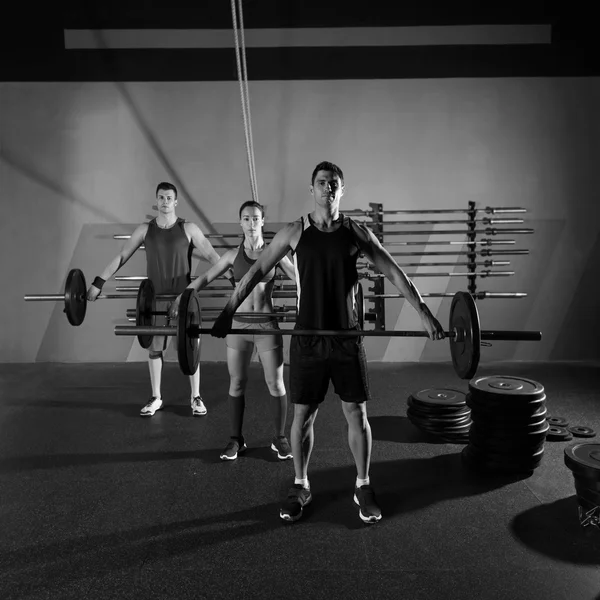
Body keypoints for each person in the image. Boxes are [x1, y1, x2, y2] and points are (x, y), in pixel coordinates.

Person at [211, 161, 445, 524]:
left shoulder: (355, 232)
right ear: (312, 189)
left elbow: (393, 271)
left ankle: (363, 484)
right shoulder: (295, 231)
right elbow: (256, 269)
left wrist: (425, 312)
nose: (328, 189)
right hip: (307, 338)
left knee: (357, 412)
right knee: (303, 415)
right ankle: (300, 484)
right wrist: (229, 310)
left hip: (346, 337)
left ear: (342, 190)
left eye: (334, 184)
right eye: (322, 183)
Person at [87, 181, 233, 417]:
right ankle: (156, 397)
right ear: (156, 201)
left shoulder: (189, 228)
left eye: (169, 198)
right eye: (161, 198)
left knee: (190, 348)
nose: (165, 202)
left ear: (176, 202)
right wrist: (98, 282)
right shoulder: (145, 230)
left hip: (184, 299)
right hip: (155, 299)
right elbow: (122, 256)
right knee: (154, 349)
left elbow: (213, 256)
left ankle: (196, 397)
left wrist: (236, 282)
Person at [169, 200, 296, 462]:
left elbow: (302, 278)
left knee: (276, 383)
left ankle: (279, 438)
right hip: (237, 326)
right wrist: (182, 298)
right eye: (246, 219)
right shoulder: (231, 256)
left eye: (256, 218)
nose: (251, 223)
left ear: (263, 221)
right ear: (240, 222)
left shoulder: (277, 254)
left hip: (266, 326)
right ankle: (236, 439)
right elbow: (203, 279)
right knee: (237, 383)